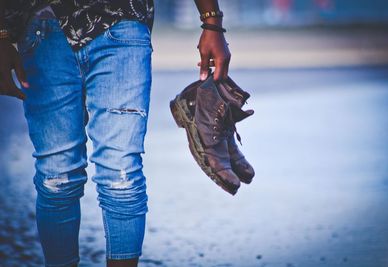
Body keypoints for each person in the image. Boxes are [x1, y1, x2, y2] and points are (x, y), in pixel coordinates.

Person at [0, 0, 231, 266]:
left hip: (122, 18)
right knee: (57, 177)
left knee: (121, 175)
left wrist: (212, 21)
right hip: (42, 25)